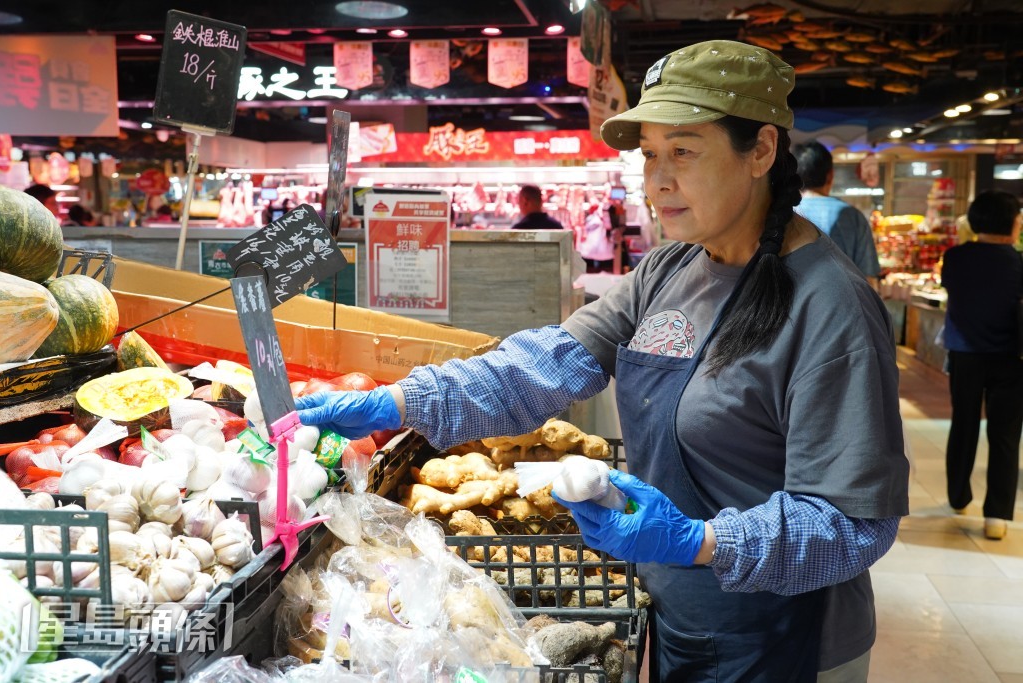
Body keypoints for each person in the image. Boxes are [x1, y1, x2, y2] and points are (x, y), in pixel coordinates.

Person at [295, 40, 908, 682]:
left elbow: (852, 523)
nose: (658, 180)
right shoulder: (671, 270)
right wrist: (398, 401)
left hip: (788, 639)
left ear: (760, 151)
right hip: (682, 616)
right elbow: (544, 365)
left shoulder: (830, 306)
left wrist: (699, 540)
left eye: (684, 151)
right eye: (650, 155)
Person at [940, 190, 1023, 541]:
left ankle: (959, 497)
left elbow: (952, 291)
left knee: (963, 424)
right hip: (1012, 358)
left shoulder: (955, 257)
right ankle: (997, 516)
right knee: (1005, 435)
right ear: (1012, 223)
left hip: (965, 354)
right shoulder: (1018, 263)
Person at [793, 141, 881, 284]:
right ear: (830, 175)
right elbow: (868, 279)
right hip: (843, 297)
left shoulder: (784, 214)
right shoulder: (853, 217)